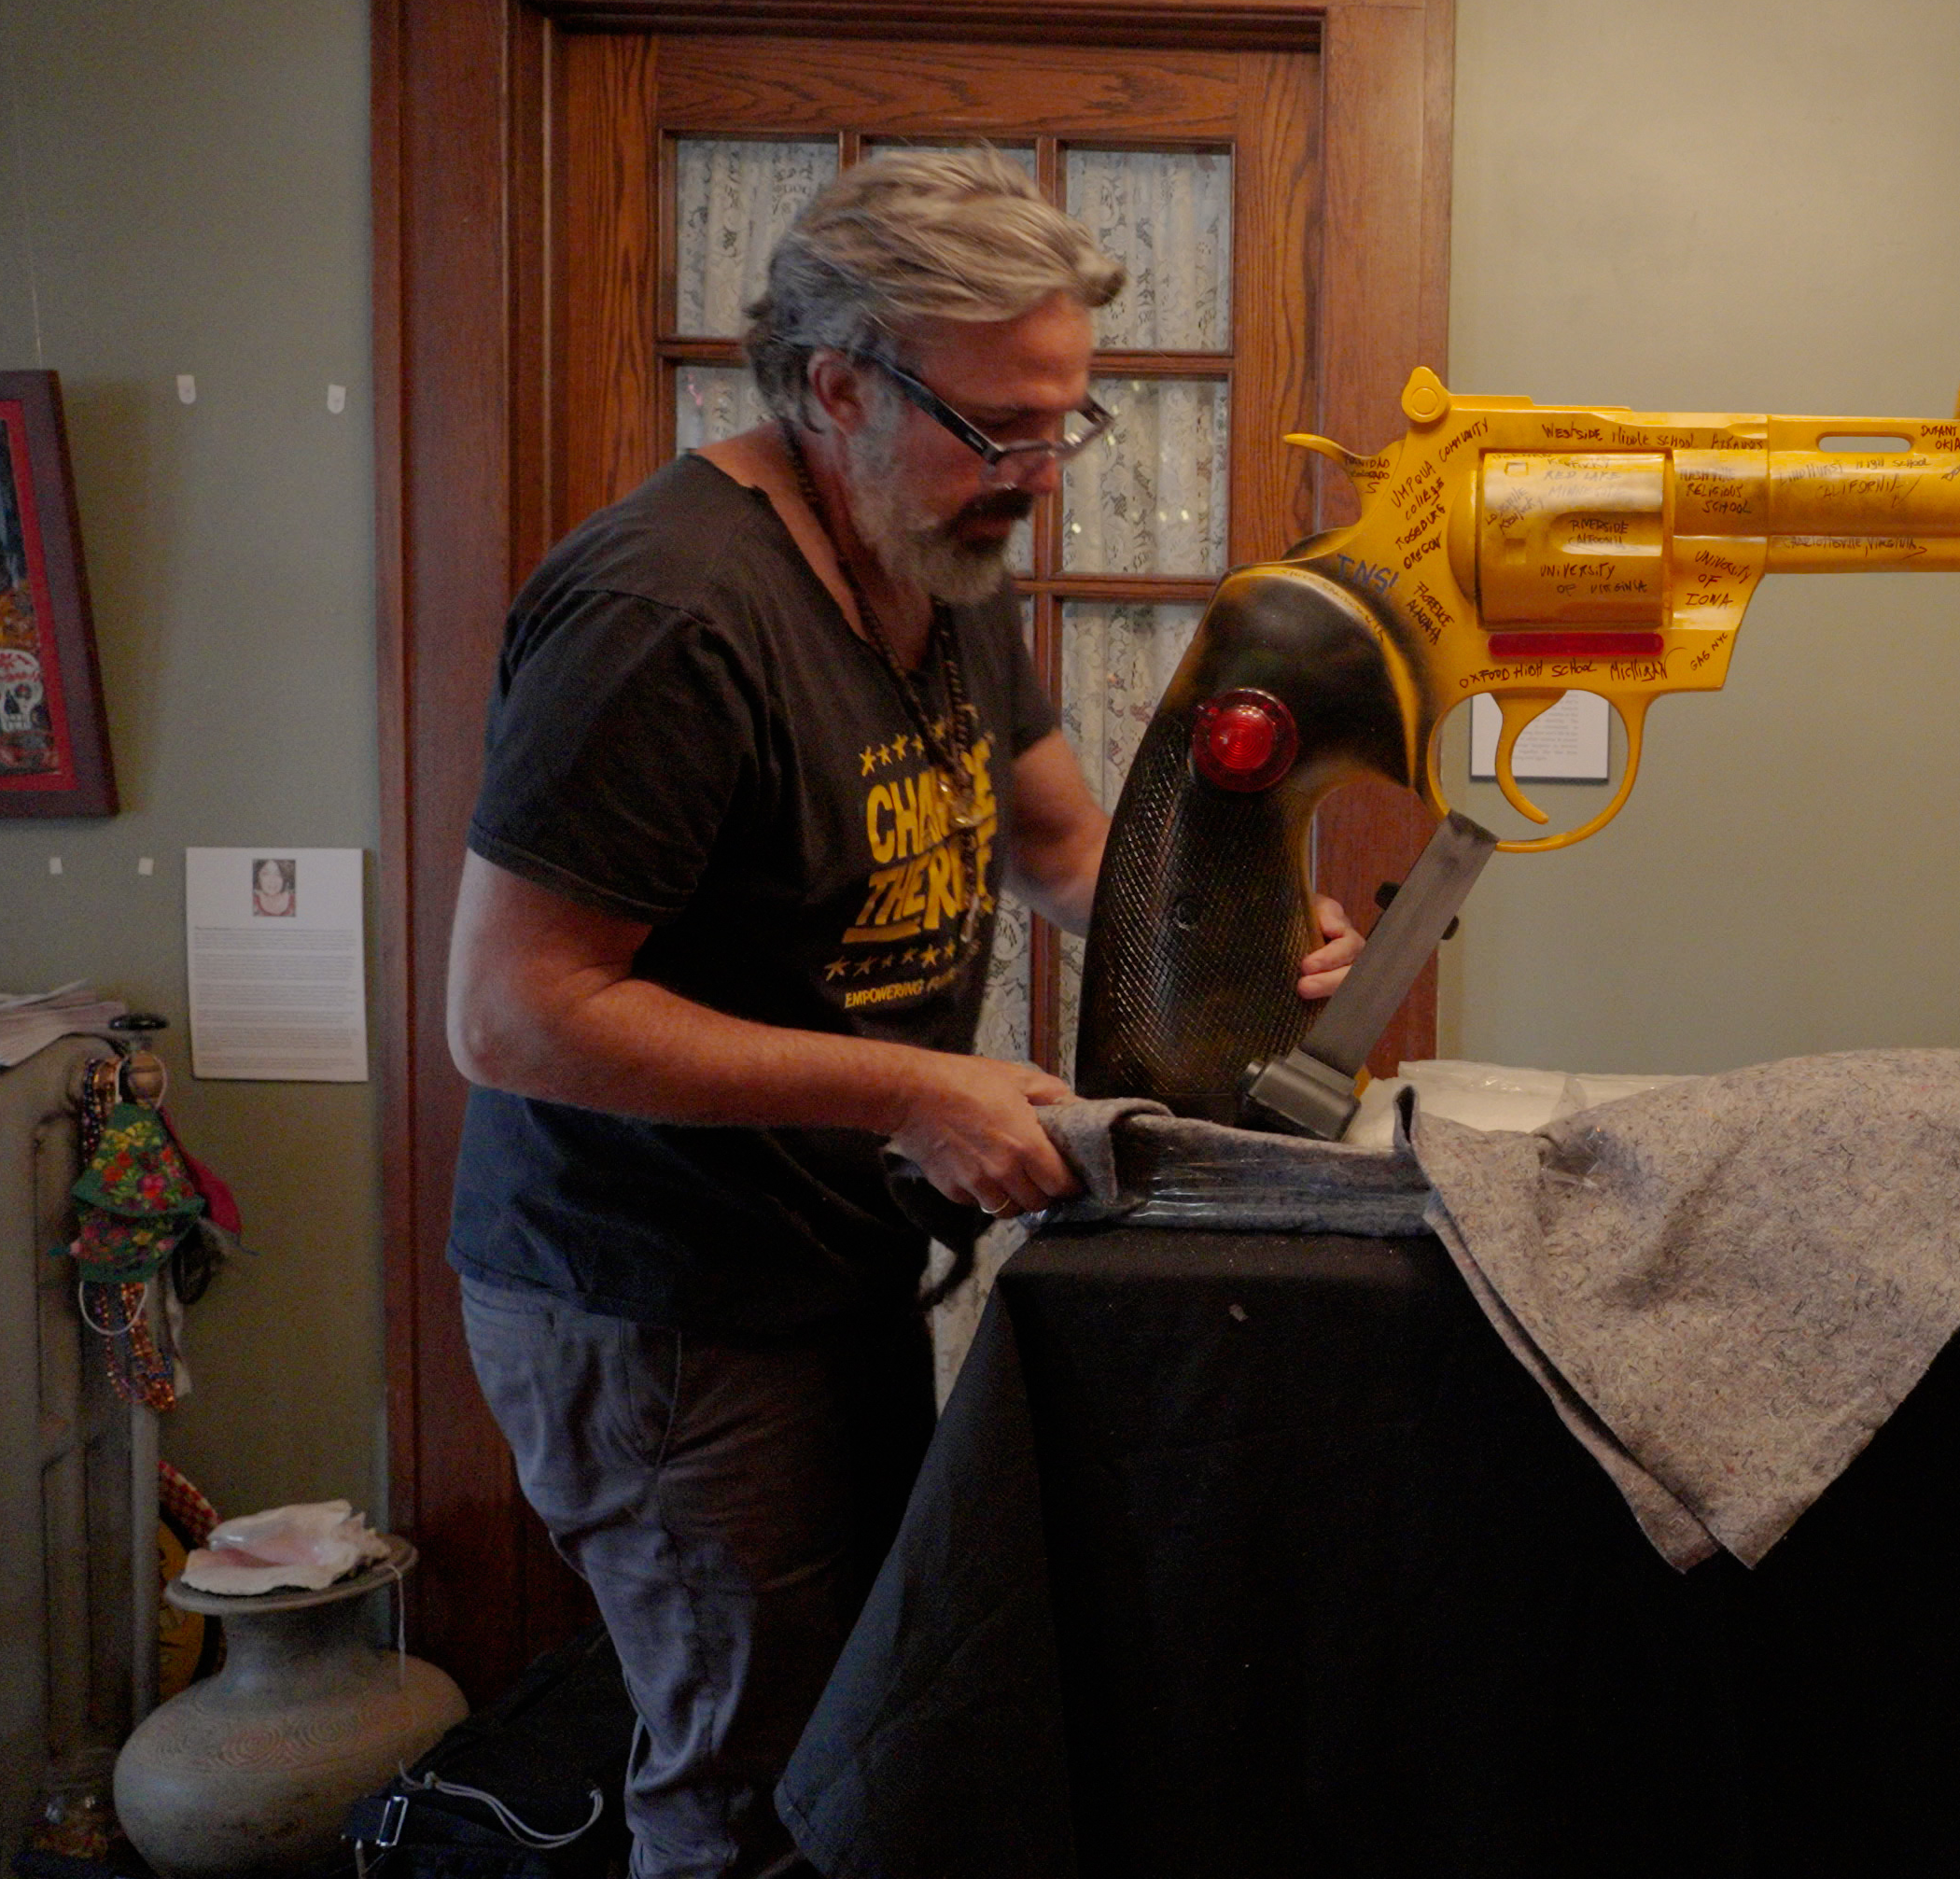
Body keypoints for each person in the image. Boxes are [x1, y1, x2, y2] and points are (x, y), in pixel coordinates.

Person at [442, 151, 1363, 1877]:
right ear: (835, 381)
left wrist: (1242, 927)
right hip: (659, 1313)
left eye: (1059, 426)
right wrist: (909, 1095)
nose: (1034, 477)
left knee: (862, 1748)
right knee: (750, 1800)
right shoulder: (665, 613)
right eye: (994, 428)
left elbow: (1061, 844)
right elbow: (515, 1014)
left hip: (819, 1270)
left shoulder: (931, 549)